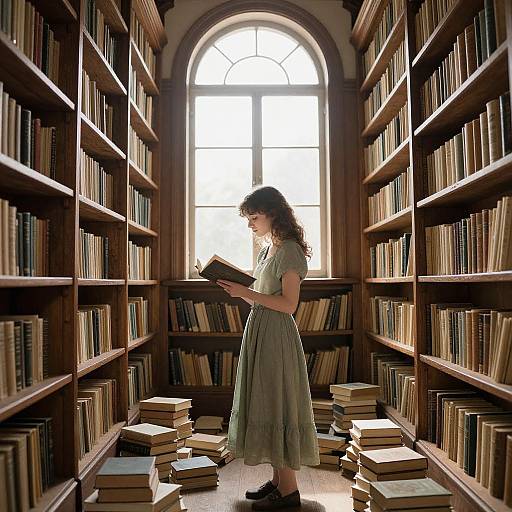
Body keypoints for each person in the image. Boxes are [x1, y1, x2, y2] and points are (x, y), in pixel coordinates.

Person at [217, 186, 320, 511]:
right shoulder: (267, 250)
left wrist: (248, 293)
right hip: (260, 330)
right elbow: (261, 297)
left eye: (254, 217)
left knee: (277, 403)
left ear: (273, 213)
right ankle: (277, 482)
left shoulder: (289, 250)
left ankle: (289, 492)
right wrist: (237, 290)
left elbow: (288, 305)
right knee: (267, 400)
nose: (250, 225)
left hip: (276, 334)